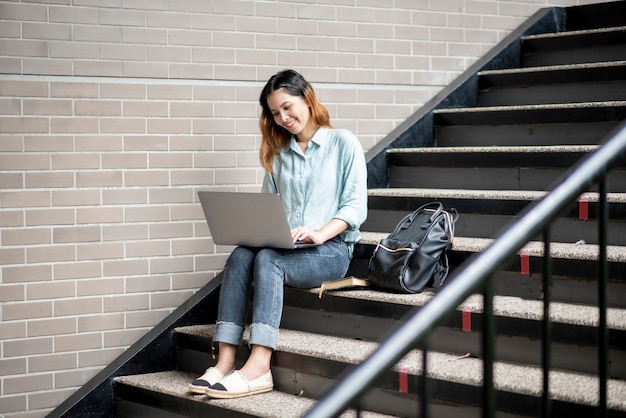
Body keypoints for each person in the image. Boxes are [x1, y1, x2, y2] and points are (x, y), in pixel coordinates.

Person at [189, 69, 368, 399]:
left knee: (269, 260)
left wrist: (320, 233)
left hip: (331, 250)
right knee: (242, 254)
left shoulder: (343, 142)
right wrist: (267, 230)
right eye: (275, 113)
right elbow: (267, 209)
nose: (284, 118)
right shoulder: (278, 155)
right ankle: (224, 361)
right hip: (290, 246)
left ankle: (259, 365)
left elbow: (355, 207)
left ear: (307, 98)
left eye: (288, 107)